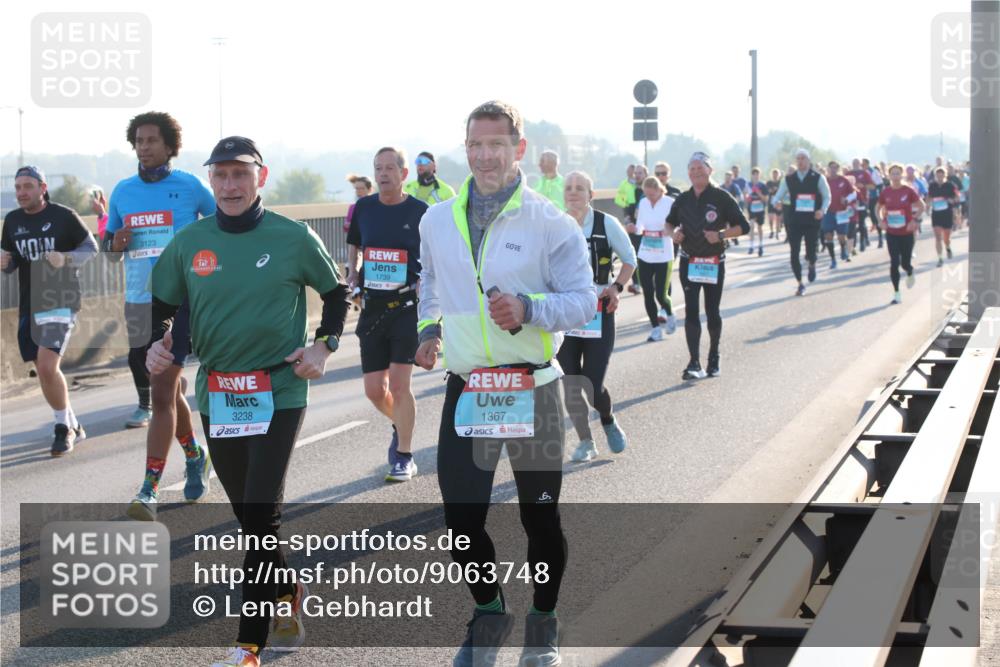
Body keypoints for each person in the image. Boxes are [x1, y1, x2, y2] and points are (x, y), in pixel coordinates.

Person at [147, 136, 350, 667]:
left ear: (261, 177)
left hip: (279, 390)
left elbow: (335, 293)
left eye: (241, 175)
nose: (231, 185)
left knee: (260, 514)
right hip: (220, 394)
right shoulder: (191, 241)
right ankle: (287, 591)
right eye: (222, 176)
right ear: (211, 181)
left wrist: (324, 346)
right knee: (252, 520)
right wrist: (160, 341)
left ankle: (248, 646)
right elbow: (164, 303)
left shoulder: (293, 237)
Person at [415, 100, 594, 667]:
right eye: (475, 144)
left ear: (518, 148)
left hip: (533, 387)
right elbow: (429, 284)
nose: (485, 155)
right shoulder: (436, 219)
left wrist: (530, 308)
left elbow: (584, 301)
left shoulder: (550, 221)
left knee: (539, 516)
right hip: (469, 388)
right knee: (461, 520)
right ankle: (491, 611)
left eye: (497, 144)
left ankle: (543, 621)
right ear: (464, 149)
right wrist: (427, 329)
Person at [106, 112, 217, 520]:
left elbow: (223, 223)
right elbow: (110, 242)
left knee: (160, 391)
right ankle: (194, 455)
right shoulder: (123, 190)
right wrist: (114, 241)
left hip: (180, 301)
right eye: (139, 140)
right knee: (166, 387)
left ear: (170, 146)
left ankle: (149, 488)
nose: (145, 146)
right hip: (138, 300)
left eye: (153, 140)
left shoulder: (190, 187)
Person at [1, 166, 98, 455]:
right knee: (43, 372)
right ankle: (73, 423)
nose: (21, 192)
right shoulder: (13, 220)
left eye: (28, 186)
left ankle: (61, 428)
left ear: (42, 188)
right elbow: (12, 262)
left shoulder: (63, 215)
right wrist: (4, 261)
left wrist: (65, 258)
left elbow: (91, 248)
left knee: (46, 365)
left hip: (61, 299)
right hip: (30, 305)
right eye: (18, 187)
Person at [346, 147, 426, 482]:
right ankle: (400, 423)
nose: (382, 174)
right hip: (373, 306)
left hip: (406, 307)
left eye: (390, 168)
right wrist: (352, 273)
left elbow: (433, 256)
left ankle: (404, 455)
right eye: (378, 168)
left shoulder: (421, 211)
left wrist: (426, 283)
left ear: (404, 174)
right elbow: (355, 245)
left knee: (399, 382)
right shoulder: (364, 208)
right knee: (374, 390)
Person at [558, 171, 635, 462]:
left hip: (599, 313)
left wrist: (616, 288)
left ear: (591, 195)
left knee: (592, 382)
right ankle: (585, 441)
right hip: (566, 315)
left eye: (580, 188)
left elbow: (630, 260)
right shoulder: (556, 224)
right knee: (571, 383)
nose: (574, 193)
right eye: (569, 188)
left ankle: (607, 418)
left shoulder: (607, 223)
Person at [667, 152, 750, 379]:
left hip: (714, 262)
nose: (696, 173)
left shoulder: (722, 197)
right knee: (691, 311)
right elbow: (669, 223)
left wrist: (721, 235)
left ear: (709, 170)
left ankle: (714, 356)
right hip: (689, 261)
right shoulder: (683, 199)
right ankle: (694, 362)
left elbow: (744, 226)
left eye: (700, 168)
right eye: (692, 169)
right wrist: (674, 233)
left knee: (712, 312)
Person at [773, 149, 831, 296]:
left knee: (811, 251)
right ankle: (800, 283)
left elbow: (827, 197)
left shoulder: (818, 178)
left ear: (808, 160)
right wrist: (776, 203)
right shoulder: (789, 179)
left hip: (812, 220)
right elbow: (777, 196)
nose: (800, 161)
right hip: (794, 220)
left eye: (803, 158)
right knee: (794, 253)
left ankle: (812, 264)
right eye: (798, 158)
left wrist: (822, 210)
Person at [628, 176, 676, 341]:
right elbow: (640, 227)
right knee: (648, 293)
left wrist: (670, 231)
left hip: (664, 255)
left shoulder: (670, 202)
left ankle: (670, 313)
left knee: (661, 295)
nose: (649, 198)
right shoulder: (643, 203)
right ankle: (655, 328)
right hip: (645, 254)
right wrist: (634, 228)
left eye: (652, 195)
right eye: (646, 195)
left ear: (659, 190)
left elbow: (678, 225)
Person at [876, 163, 925, 304]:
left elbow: (922, 206)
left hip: (906, 232)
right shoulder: (885, 192)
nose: (895, 176)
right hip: (891, 232)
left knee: (905, 262)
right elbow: (877, 207)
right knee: (894, 262)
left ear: (901, 175)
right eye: (893, 174)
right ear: (889, 175)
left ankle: (909, 271)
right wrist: (880, 220)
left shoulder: (908, 190)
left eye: (898, 173)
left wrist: (914, 220)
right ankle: (896, 292)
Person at [821, 160, 855, 267]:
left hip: (842, 212)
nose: (833, 169)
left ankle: (843, 248)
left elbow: (853, 193)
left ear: (838, 169)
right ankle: (833, 260)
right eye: (831, 167)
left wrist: (847, 199)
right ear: (828, 169)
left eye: (835, 167)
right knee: (828, 236)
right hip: (828, 212)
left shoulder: (844, 180)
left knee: (841, 236)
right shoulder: (824, 181)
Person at [623, 164, 649, 295]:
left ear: (646, 175)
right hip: (633, 229)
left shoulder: (650, 190)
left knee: (646, 256)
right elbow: (626, 208)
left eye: (640, 173)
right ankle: (636, 283)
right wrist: (628, 222)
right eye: (636, 173)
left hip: (648, 230)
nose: (637, 175)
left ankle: (648, 280)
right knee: (634, 255)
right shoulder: (631, 190)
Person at [927, 166, 958, 266]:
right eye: (938, 175)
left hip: (947, 213)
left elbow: (957, 197)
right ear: (936, 176)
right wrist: (928, 206)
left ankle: (948, 248)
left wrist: (951, 200)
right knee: (937, 237)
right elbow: (929, 197)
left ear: (945, 175)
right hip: (936, 213)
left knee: (946, 237)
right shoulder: (932, 185)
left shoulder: (950, 185)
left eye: (942, 175)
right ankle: (940, 258)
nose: (940, 177)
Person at [745, 167, 768, 256]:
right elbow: (745, 195)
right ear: (752, 175)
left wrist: (758, 192)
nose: (755, 176)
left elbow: (765, 199)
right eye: (754, 174)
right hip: (751, 208)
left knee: (759, 227)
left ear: (759, 175)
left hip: (760, 208)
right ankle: (751, 246)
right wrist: (747, 198)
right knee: (751, 225)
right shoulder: (748, 184)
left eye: (757, 174)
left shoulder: (762, 185)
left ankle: (761, 245)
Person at [766, 168, 783, 240]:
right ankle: (771, 230)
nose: (775, 175)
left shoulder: (781, 182)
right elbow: (769, 191)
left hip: (778, 202)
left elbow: (781, 191)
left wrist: (776, 190)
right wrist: (775, 189)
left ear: (779, 175)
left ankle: (777, 233)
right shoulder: (769, 182)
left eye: (776, 174)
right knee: (770, 218)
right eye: (774, 174)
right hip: (771, 201)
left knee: (778, 218)